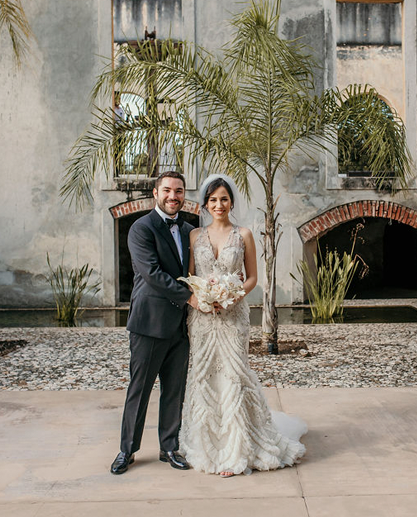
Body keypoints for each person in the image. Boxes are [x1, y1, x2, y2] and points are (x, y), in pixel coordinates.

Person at [179, 174, 307, 478]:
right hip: (202, 318)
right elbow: (188, 276)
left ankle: (237, 449)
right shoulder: (195, 236)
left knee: (234, 374)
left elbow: (252, 278)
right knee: (204, 375)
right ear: (206, 204)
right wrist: (201, 299)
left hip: (233, 316)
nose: (219, 204)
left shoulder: (244, 234)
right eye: (213, 200)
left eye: (224, 199)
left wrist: (231, 296)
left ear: (231, 201)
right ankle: (207, 444)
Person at [110, 171, 200, 475]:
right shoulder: (141, 228)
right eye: (167, 190)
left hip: (182, 326)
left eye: (178, 191)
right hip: (149, 323)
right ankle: (127, 450)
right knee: (140, 388)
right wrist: (189, 297)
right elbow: (151, 273)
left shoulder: (190, 230)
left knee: (174, 390)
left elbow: (195, 270)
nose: (173, 196)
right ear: (155, 193)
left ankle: (169, 447)